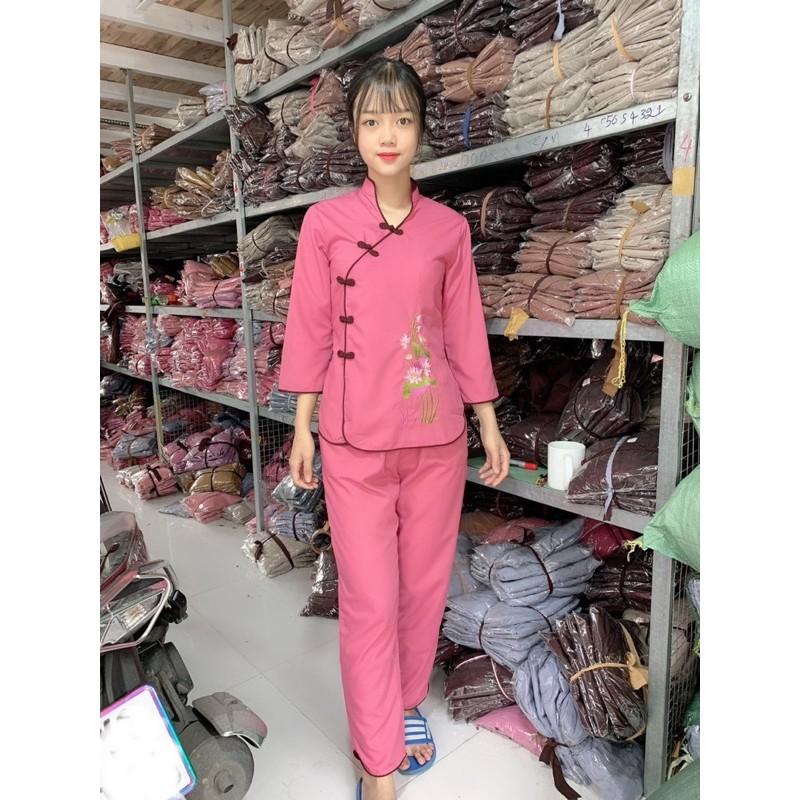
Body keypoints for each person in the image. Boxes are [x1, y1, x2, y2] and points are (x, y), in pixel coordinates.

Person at [277, 56, 510, 800]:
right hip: (353, 441)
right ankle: (377, 761)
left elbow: (464, 329)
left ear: (420, 131)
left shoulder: (448, 230)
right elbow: (310, 326)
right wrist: (302, 426)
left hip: (436, 437)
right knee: (371, 599)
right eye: (373, 120)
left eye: (402, 120)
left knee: (423, 588)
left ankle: (407, 702)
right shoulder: (326, 224)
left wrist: (488, 422)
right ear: (354, 131)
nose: (388, 135)